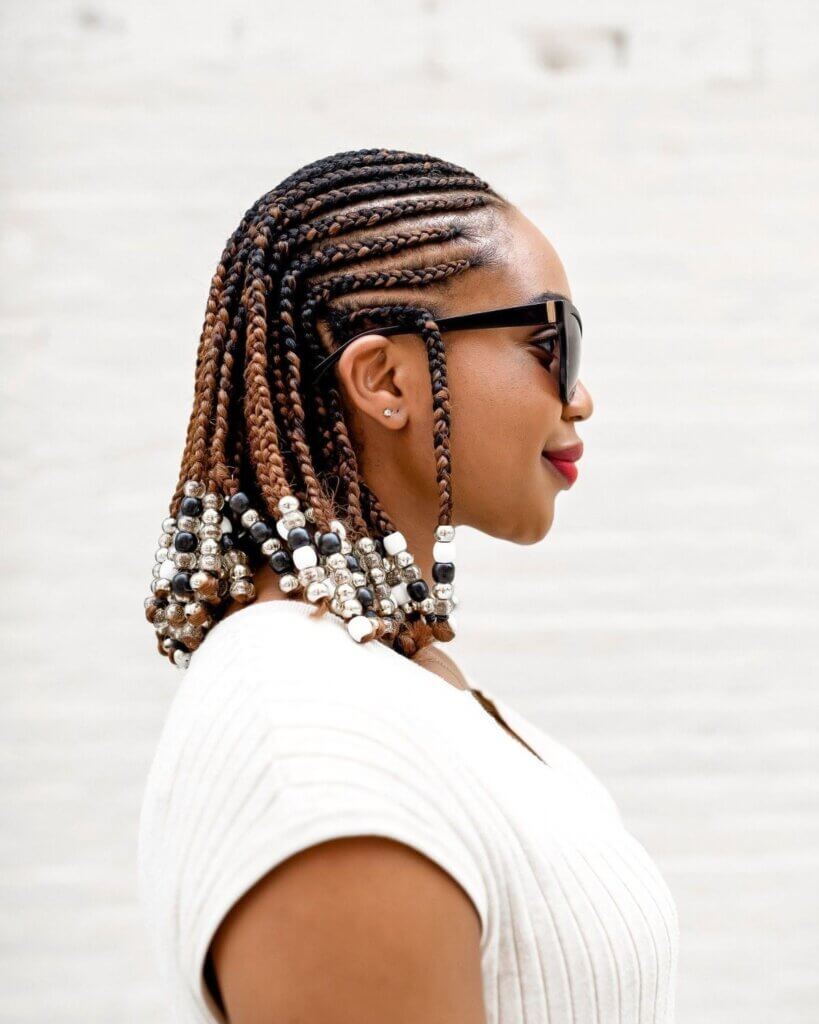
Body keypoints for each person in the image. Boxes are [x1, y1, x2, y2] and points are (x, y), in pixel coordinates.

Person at [137, 148, 679, 1023]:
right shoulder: (312, 741)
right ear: (385, 380)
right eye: (550, 342)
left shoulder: (375, 684)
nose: (579, 399)